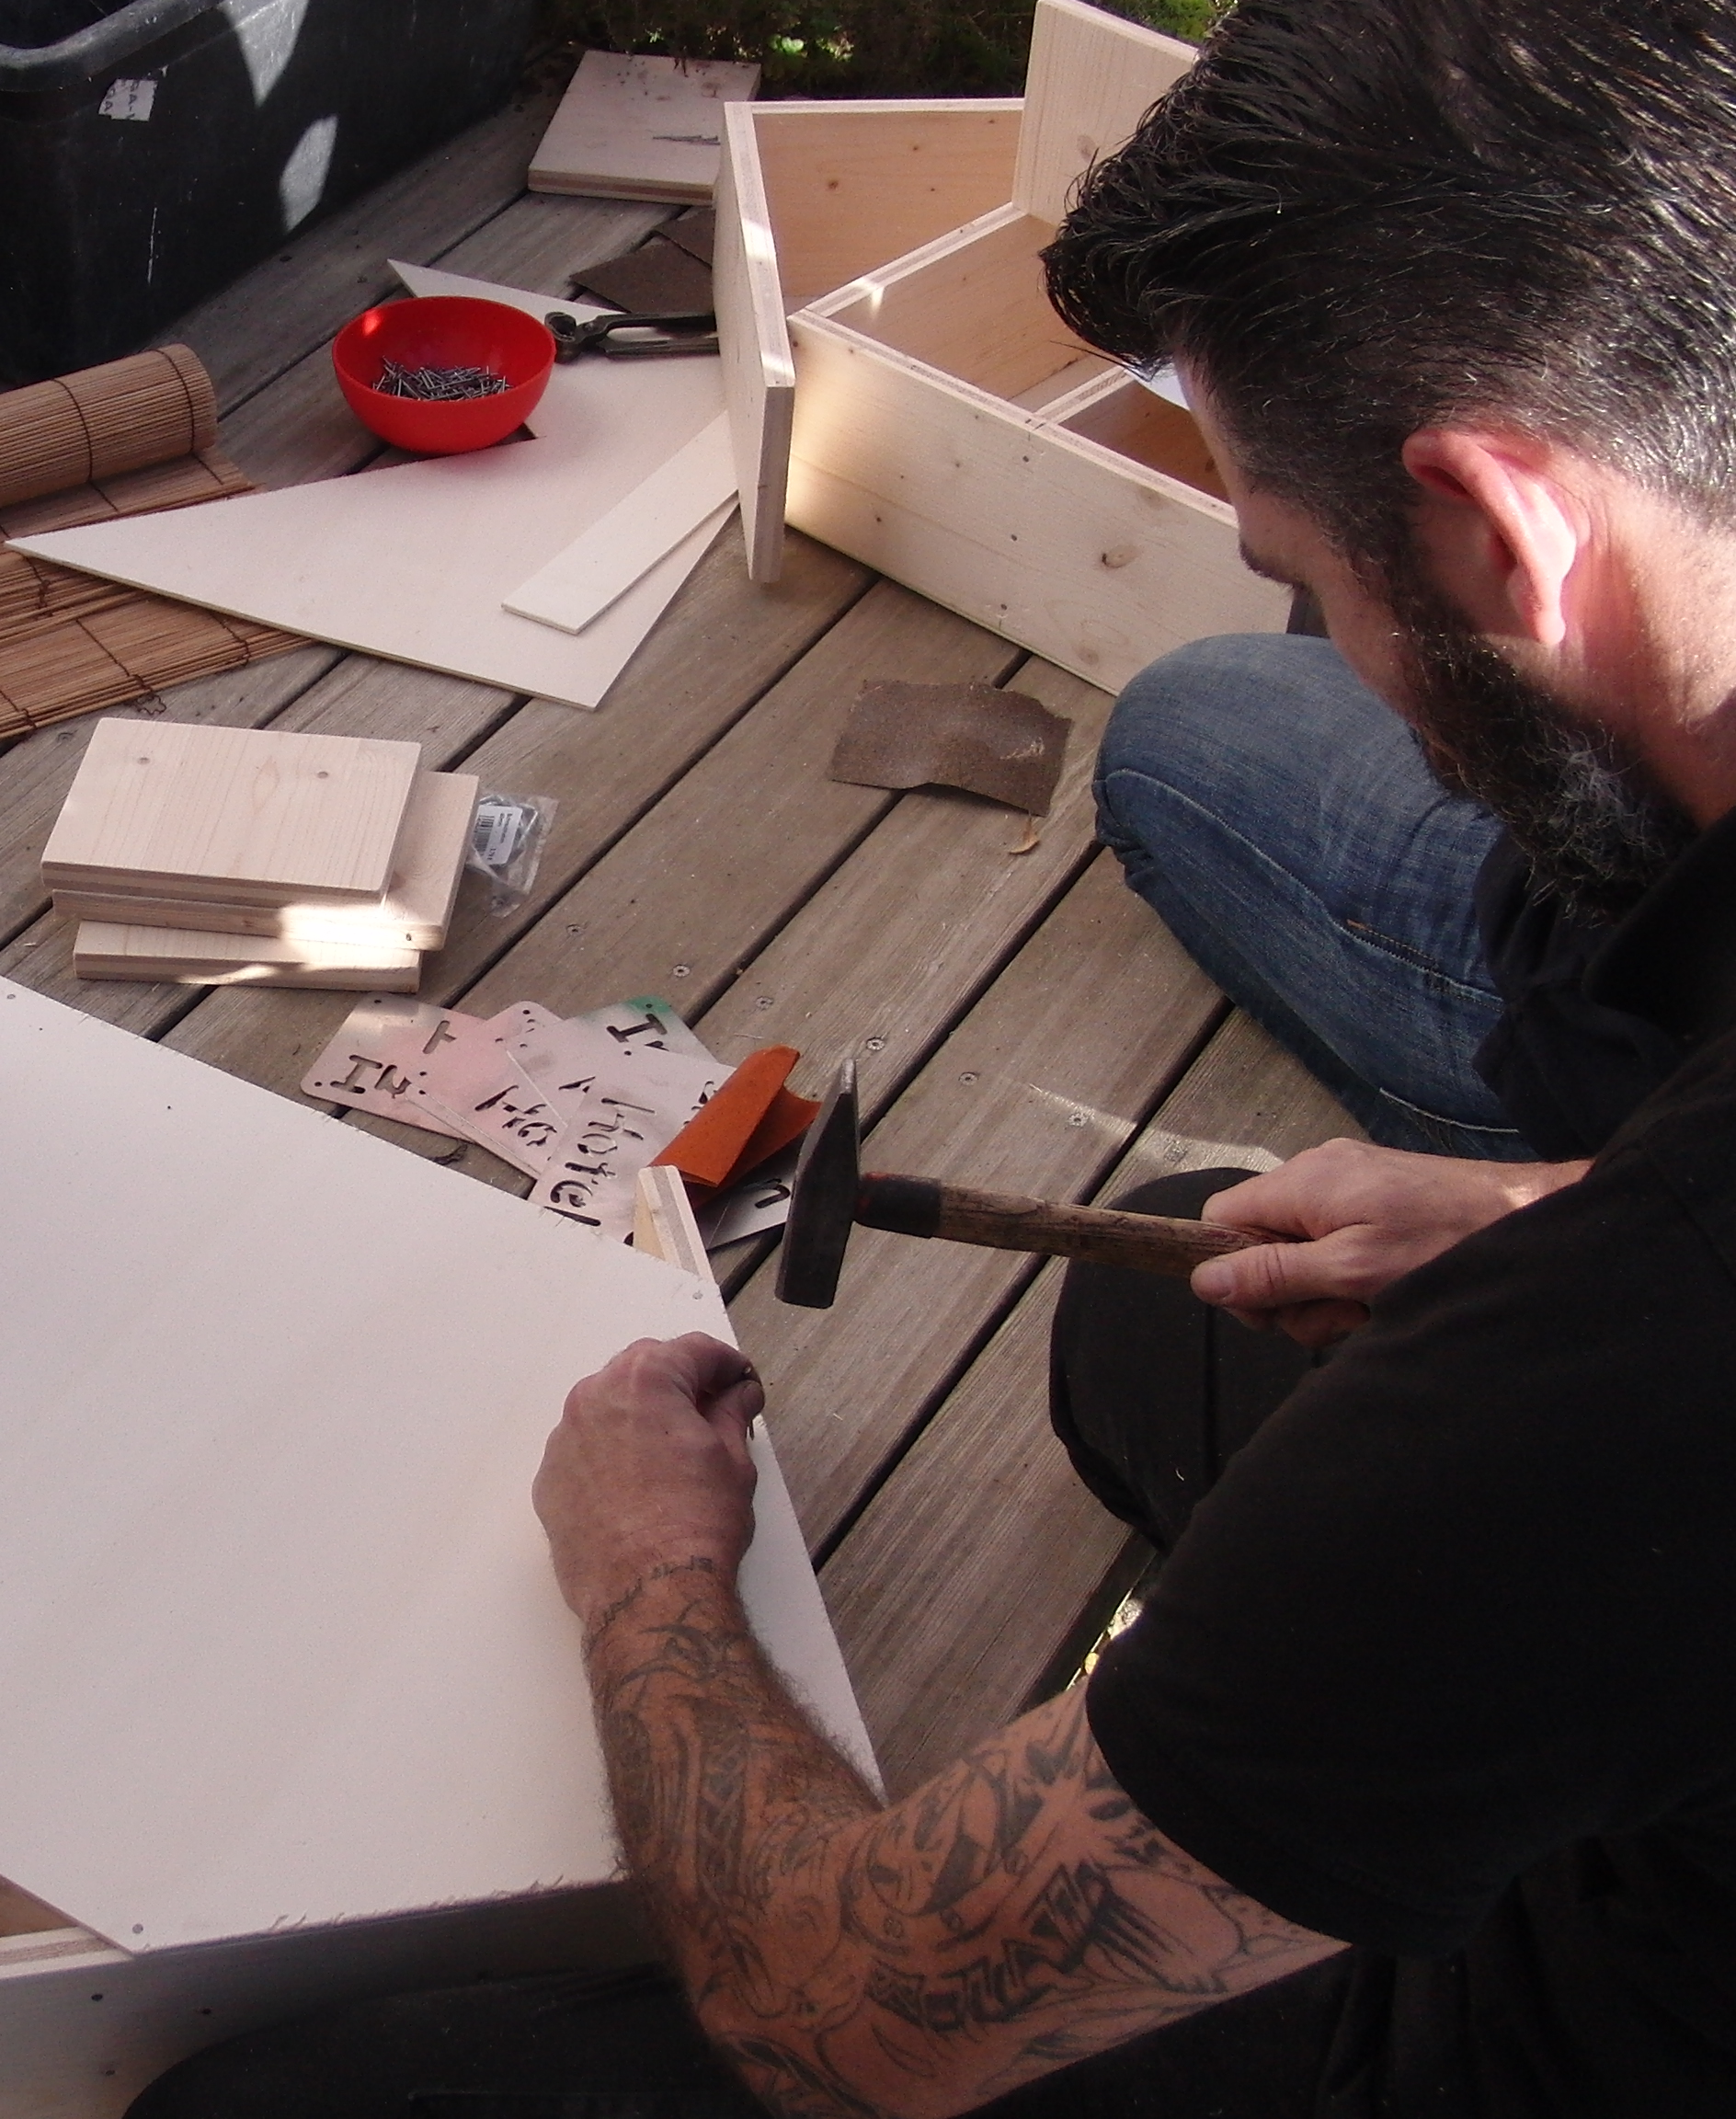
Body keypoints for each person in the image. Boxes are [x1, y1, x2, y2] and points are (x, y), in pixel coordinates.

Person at [131, 1, 1736, 2112]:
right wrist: (1548, 1207)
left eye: (1299, 572)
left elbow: (840, 2011)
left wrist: (644, 1576)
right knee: (1162, 1288)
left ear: (1506, 534)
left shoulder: (1616, 1386)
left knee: (268, 2106)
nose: (1334, 648)